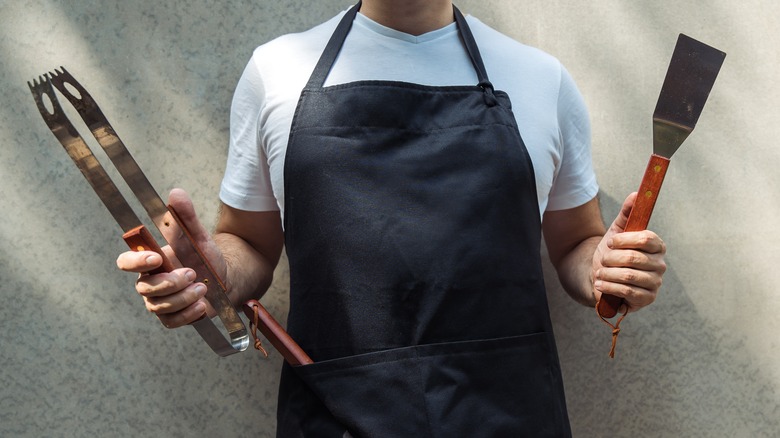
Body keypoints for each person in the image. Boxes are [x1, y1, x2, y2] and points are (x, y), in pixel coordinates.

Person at [117, 0, 667, 436]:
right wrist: (214, 276)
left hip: (508, 414)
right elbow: (249, 245)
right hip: (338, 416)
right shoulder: (277, 70)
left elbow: (575, 242)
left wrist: (604, 269)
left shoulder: (541, 79)